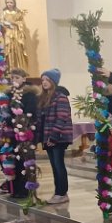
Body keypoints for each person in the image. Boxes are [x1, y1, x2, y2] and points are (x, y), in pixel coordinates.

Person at [36, 68, 73, 204]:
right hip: (48, 137)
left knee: (58, 164)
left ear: (54, 81)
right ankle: (58, 192)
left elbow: (61, 118)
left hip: (59, 137)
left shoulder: (60, 97)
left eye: (47, 79)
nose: (44, 82)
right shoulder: (44, 98)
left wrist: (54, 136)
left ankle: (62, 193)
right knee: (54, 165)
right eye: (43, 80)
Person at [8, 68, 38, 199]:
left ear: (24, 79)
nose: (14, 80)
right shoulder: (10, 94)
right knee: (15, 160)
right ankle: (15, 189)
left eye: (17, 78)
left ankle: (26, 189)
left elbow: (31, 112)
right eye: (12, 78)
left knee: (25, 160)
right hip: (12, 132)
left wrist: (21, 120)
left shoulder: (29, 94)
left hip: (26, 131)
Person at [2, 0, 30, 72]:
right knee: (9, 50)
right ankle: (10, 69)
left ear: (14, 3)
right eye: (7, 2)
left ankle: (20, 69)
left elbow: (21, 23)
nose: (9, 4)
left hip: (16, 33)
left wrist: (16, 23)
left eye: (11, 2)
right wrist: (8, 24)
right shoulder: (4, 12)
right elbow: (2, 22)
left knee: (18, 49)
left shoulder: (17, 13)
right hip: (8, 33)